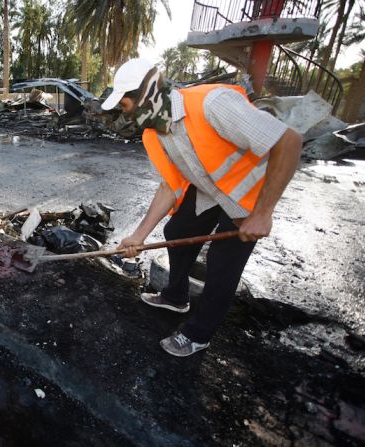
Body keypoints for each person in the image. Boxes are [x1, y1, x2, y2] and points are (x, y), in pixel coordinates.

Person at [101, 58, 302, 357]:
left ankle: (198, 334)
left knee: (222, 263)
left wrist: (263, 213)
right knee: (177, 229)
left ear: (146, 96)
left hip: (249, 196)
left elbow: (289, 141)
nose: (124, 115)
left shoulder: (212, 104)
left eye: (126, 106)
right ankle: (176, 296)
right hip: (211, 189)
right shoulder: (156, 132)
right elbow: (170, 186)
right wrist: (139, 236)